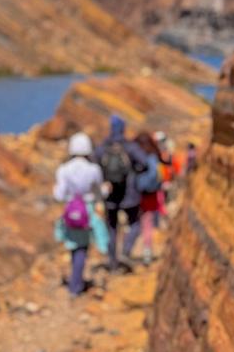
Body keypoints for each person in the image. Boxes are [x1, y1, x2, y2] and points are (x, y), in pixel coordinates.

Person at [53, 132, 106, 296]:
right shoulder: (93, 169)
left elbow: (59, 195)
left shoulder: (64, 170)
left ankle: (75, 282)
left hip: (70, 210)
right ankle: (76, 285)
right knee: (82, 248)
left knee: (74, 246)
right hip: (86, 211)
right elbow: (99, 192)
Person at [94, 115, 150, 272]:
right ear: (123, 128)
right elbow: (145, 163)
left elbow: (94, 163)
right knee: (135, 223)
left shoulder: (103, 147)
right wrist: (134, 172)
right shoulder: (129, 147)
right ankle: (125, 251)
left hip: (110, 195)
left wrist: (105, 179)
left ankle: (112, 262)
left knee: (112, 228)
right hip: (129, 195)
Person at [131, 132, 164, 264]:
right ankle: (146, 250)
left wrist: (139, 185)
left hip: (141, 193)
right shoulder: (153, 155)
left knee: (141, 222)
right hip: (150, 194)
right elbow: (156, 175)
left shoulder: (143, 157)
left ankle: (138, 249)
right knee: (147, 222)